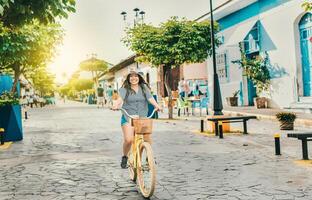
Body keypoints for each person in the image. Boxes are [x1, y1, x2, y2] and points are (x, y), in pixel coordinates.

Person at [112, 69, 162, 169]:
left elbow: (150, 98)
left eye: (136, 76)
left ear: (139, 78)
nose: (133, 78)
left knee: (147, 137)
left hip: (142, 117)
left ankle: (149, 157)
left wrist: (157, 106)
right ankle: (125, 156)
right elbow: (119, 100)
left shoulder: (144, 88)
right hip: (128, 117)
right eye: (131, 76)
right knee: (129, 140)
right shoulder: (124, 89)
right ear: (128, 78)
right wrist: (115, 105)